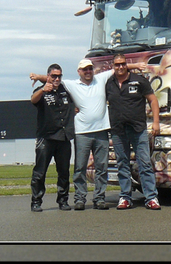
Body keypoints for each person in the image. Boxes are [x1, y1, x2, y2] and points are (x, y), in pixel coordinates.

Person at [30, 59, 144, 211]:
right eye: (85, 69)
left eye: (90, 69)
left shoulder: (95, 81)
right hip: (69, 134)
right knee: (74, 168)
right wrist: (40, 80)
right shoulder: (66, 86)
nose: (88, 71)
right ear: (79, 72)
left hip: (87, 133)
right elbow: (42, 92)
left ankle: (90, 199)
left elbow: (118, 68)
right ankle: (71, 199)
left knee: (93, 168)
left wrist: (136, 65)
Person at [105, 53, 161, 210]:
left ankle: (151, 198)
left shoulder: (139, 80)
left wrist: (156, 122)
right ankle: (125, 197)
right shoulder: (108, 83)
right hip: (118, 130)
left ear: (126, 64)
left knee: (144, 163)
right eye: (117, 65)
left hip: (138, 129)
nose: (120, 67)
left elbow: (153, 100)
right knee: (122, 164)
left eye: (123, 64)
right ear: (113, 66)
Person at [29, 64, 75, 212]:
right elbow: (33, 100)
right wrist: (42, 89)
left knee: (64, 172)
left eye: (59, 76)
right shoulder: (42, 91)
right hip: (46, 138)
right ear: (48, 76)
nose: (56, 78)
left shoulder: (65, 90)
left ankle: (63, 200)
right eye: (53, 76)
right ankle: (36, 201)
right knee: (40, 172)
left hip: (63, 138)